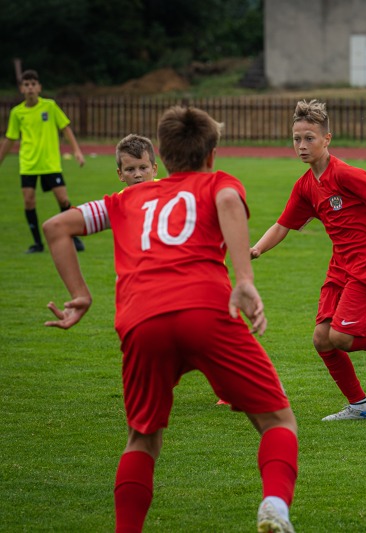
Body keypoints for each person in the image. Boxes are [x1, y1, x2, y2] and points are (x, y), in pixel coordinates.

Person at [41, 106, 298, 532]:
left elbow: (55, 227)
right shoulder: (217, 182)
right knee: (277, 420)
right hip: (206, 311)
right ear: (210, 154)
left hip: (141, 320)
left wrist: (81, 295)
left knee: (142, 439)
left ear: (161, 156)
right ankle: (273, 505)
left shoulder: (124, 199)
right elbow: (228, 201)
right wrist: (244, 280)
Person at [251, 99, 366, 421]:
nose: (301, 145)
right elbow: (282, 225)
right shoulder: (305, 186)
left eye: (309, 138)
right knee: (322, 339)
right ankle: (360, 406)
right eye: (296, 139)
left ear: (327, 139)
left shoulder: (347, 174)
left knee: (341, 338)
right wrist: (255, 249)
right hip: (339, 268)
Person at [0, 69, 85, 254]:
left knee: (63, 199)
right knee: (29, 201)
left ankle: (74, 237)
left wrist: (77, 151)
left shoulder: (50, 106)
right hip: (28, 164)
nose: (30, 88)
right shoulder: (17, 113)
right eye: (26, 85)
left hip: (50, 163)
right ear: (21, 89)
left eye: (33, 84)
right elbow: (10, 138)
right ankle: (37, 244)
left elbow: (65, 128)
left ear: (39, 87)